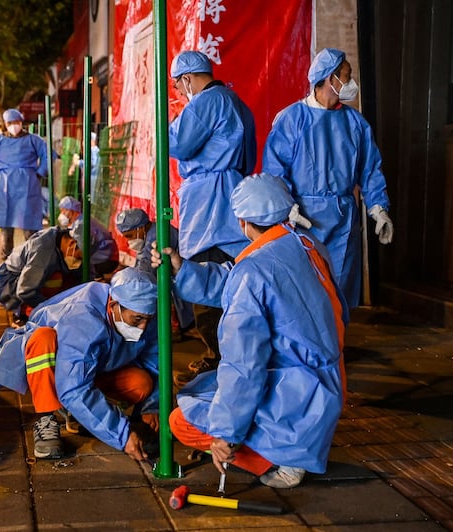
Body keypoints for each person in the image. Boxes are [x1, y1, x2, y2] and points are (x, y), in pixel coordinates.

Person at [152, 173, 348, 489]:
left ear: (243, 221)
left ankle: (278, 460)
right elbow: (238, 281)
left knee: (182, 421)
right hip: (326, 382)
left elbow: (244, 365)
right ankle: (291, 449)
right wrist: (182, 268)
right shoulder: (308, 245)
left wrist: (226, 434)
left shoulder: (253, 269)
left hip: (295, 397)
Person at [0, 267, 160, 461]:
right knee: (43, 339)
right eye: (137, 319)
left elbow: (155, 362)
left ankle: (86, 413)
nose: (143, 327)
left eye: (147, 319)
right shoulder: (83, 318)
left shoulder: (142, 312)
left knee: (141, 383)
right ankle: (46, 418)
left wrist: (151, 407)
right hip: (55, 362)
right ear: (113, 305)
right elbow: (73, 388)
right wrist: (122, 434)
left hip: (93, 366)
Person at [262, 47, 393, 308]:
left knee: (339, 287)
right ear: (330, 78)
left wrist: (379, 210)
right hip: (302, 219)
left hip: (343, 218)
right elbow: (275, 170)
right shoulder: (292, 119)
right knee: (304, 289)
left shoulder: (355, 123)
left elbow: (370, 169)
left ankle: (336, 346)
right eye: (346, 75)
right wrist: (287, 209)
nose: (350, 81)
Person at [168, 50, 257, 383]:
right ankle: (231, 354)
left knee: (203, 279)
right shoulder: (236, 101)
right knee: (232, 277)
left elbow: (177, 144)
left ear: (187, 78)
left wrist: (169, 122)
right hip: (233, 193)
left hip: (208, 202)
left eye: (178, 86)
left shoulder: (206, 101)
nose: (179, 93)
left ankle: (219, 359)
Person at [0, 109, 49, 259]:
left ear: (21, 122)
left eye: (16, 122)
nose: (13, 126)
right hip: (3, 187)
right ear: (5, 124)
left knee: (30, 229)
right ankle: (7, 264)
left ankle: (33, 261)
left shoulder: (33, 140)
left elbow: (48, 155)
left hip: (27, 186)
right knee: (5, 228)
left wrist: (39, 172)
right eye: (10, 123)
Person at [115, 208, 193, 336]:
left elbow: (144, 275)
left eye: (130, 236)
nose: (129, 241)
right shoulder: (153, 232)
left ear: (141, 228)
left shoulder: (156, 239)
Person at [0, 226, 82, 326]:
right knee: (56, 278)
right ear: (71, 244)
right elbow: (26, 291)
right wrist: (51, 309)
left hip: (26, 282)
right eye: (78, 257)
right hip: (11, 287)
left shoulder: (60, 236)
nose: (78, 261)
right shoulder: (43, 253)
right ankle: (24, 315)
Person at [57, 195, 118, 277]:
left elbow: (82, 251)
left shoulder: (81, 225)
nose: (62, 214)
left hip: (104, 260)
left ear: (73, 211)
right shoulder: (81, 221)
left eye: (64, 211)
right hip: (105, 257)